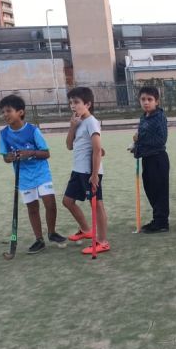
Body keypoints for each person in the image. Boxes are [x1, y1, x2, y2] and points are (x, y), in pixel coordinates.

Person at [0, 94, 66, 253]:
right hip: (23, 177)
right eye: (3, 112)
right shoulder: (4, 134)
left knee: (50, 203)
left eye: (8, 111)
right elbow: (5, 158)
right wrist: (12, 156)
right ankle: (39, 239)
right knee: (32, 208)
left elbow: (46, 153)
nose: (5, 115)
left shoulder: (33, 130)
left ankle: (52, 232)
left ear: (20, 112)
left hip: (41, 173)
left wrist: (30, 153)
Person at [62, 87, 110, 254]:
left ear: (88, 104)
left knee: (97, 205)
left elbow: (97, 150)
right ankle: (86, 230)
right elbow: (69, 145)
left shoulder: (91, 122)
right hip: (78, 170)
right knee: (67, 201)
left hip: (89, 173)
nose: (73, 106)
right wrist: (72, 127)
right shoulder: (78, 122)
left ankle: (103, 241)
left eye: (76, 102)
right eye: (71, 103)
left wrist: (95, 175)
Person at [130, 86, 170, 233]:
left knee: (159, 191)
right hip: (147, 158)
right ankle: (157, 218)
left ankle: (162, 222)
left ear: (156, 102)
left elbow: (161, 139)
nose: (146, 102)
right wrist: (136, 145)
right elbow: (143, 137)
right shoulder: (143, 117)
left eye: (149, 99)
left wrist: (141, 141)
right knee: (150, 190)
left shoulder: (159, 117)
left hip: (158, 158)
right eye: (143, 99)